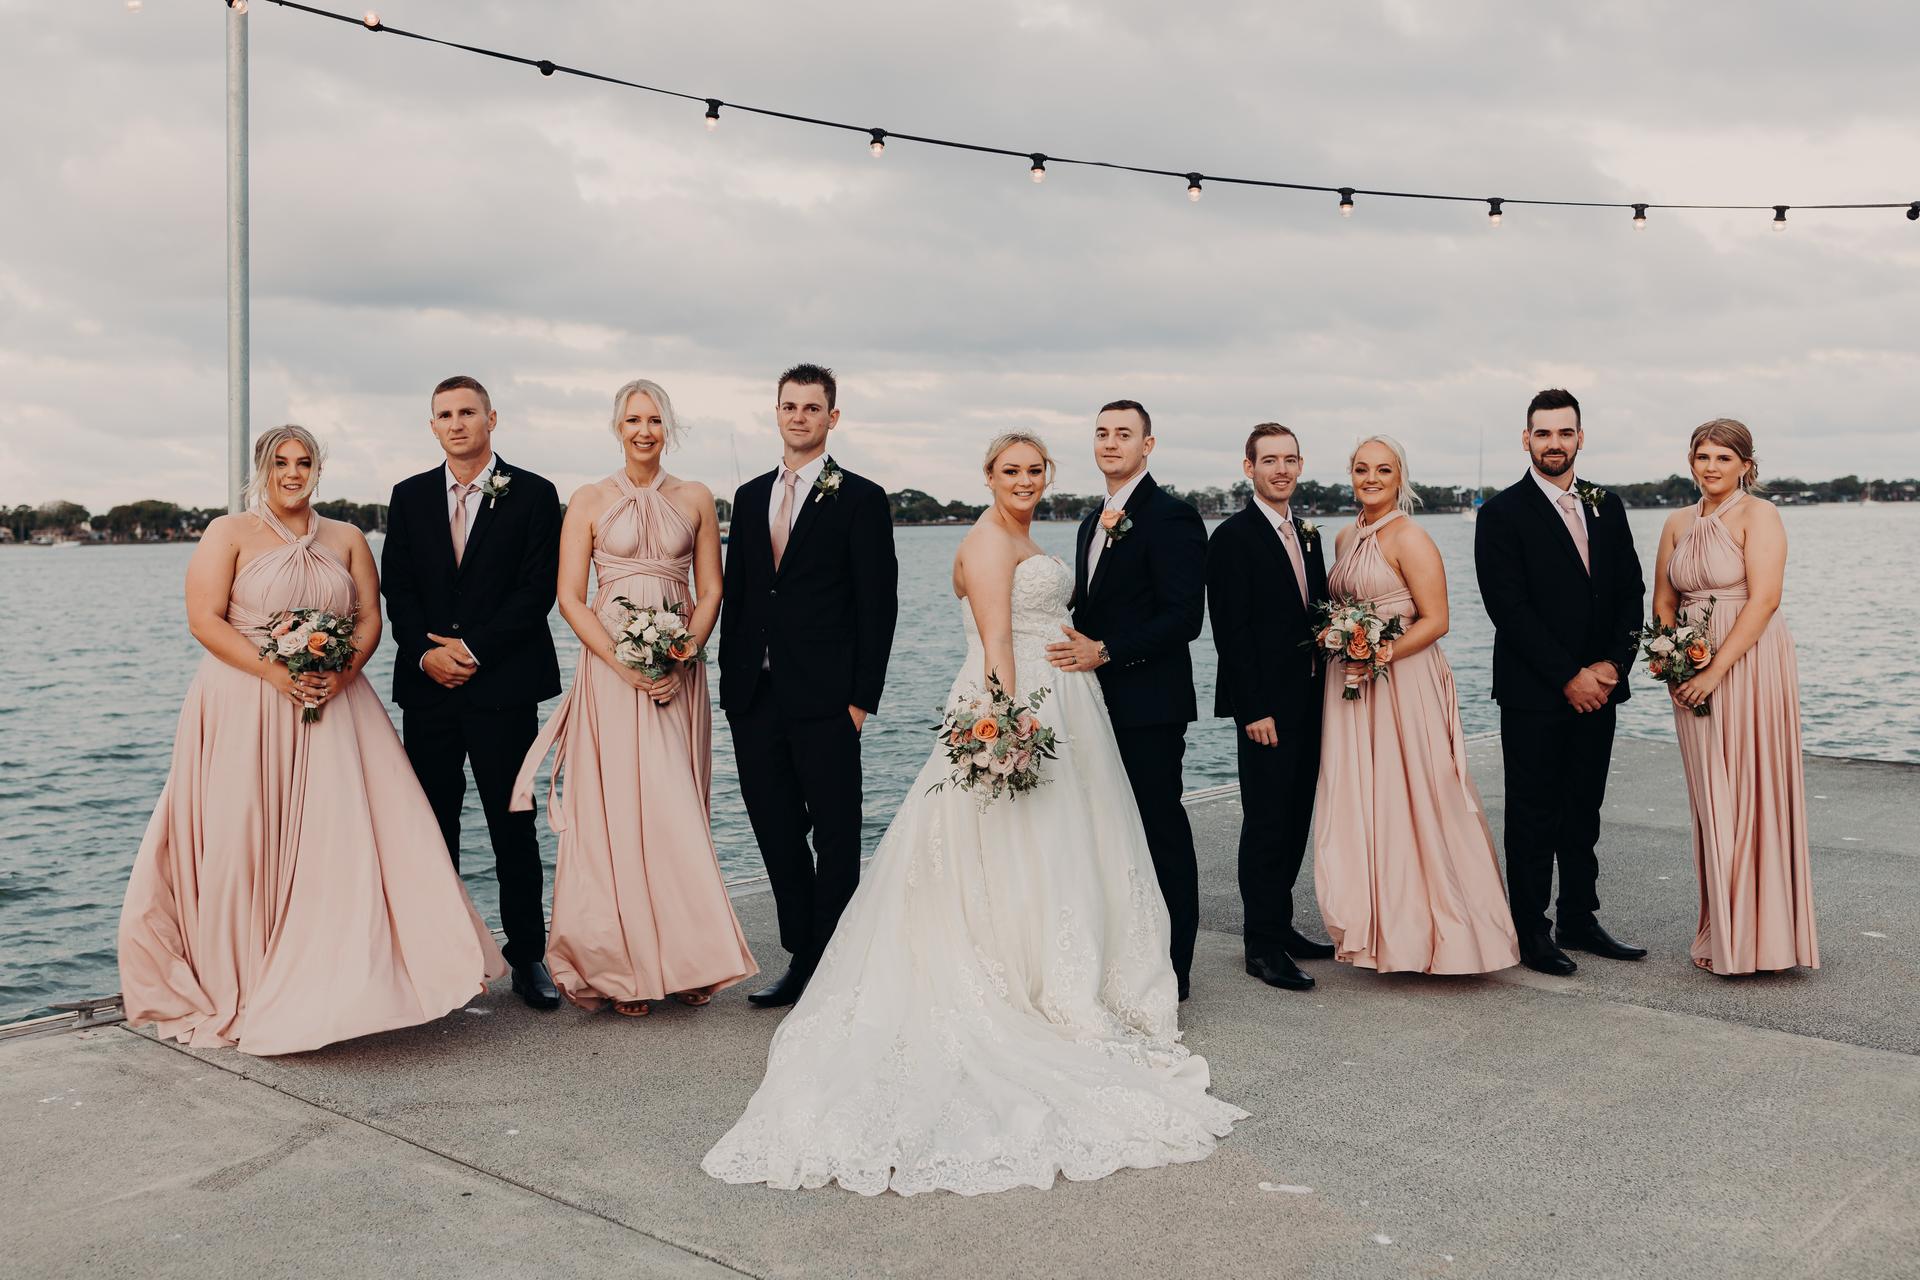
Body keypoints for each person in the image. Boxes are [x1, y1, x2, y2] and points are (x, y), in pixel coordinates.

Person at [703, 432, 1245, 1196]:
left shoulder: (1030, 532)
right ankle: (1022, 973)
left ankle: (1057, 961)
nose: (1023, 481)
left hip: (1062, 704)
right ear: (988, 476)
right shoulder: (990, 541)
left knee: (1053, 849)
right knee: (1014, 848)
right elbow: (997, 645)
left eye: (1034, 471)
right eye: (1010, 471)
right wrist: (1003, 732)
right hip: (1019, 706)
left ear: (1046, 476)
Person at [118, 425, 504, 1056]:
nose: (293, 473)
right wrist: (277, 672)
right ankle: (246, 972)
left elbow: (370, 618)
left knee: (346, 838)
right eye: (281, 462)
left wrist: (342, 671)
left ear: (318, 469)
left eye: (304, 462)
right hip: (248, 701)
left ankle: (357, 976)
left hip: (336, 705)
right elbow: (203, 618)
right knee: (247, 833)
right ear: (262, 468)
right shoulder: (228, 533)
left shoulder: (348, 537)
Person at [511, 379, 756, 1015]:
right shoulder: (588, 500)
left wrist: (682, 653)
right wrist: (625, 663)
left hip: (680, 673)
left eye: (654, 420)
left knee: (676, 810)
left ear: (667, 427)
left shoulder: (697, 497)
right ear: (617, 426)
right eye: (632, 420)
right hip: (611, 674)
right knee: (615, 813)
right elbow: (569, 597)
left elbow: (711, 592)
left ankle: (689, 958)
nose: (643, 430)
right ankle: (617, 967)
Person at [718, 363, 898, 1009]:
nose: (800, 416)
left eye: (812, 408)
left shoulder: (860, 497)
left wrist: (859, 700)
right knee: (775, 829)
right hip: (755, 699)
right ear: (777, 412)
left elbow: (878, 606)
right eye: (790, 406)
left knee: (837, 831)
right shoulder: (747, 495)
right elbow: (740, 595)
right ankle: (802, 955)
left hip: (827, 701)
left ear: (832, 418)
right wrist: (729, 682)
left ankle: (837, 958)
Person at [382, 375, 564, 1009]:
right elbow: (396, 587)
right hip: (429, 690)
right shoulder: (407, 497)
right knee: (433, 826)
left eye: (467, 412)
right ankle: (443, 960)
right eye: (444, 415)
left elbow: (538, 589)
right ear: (432, 426)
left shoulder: (536, 494)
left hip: (503, 689)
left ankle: (529, 958)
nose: (456, 423)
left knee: (513, 824)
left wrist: (473, 650)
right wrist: (427, 653)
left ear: (492, 418)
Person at [1313, 438, 1520, 974]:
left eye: (1384, 469)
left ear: (1401, 476)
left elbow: (1436, 620)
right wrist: (1345, 645)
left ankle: (1446, 935)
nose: (1372, 478)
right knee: (1369, 797)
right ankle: (1383, 929)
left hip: (1404, 679)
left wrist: (1376, 651)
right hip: (1355, 683)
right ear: (1350, 475)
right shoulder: (1343, 536)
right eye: (1362, 469)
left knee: (1423, 796)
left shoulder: (1411, 536)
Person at [1474, 388, 1647, 976]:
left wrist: (1612, 668)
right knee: (1532, 813)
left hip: (1600, 688)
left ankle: (1579, 915)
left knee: (1584, 808)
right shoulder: (1500, 514)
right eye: (1543, 433)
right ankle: (1531, 931)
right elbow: (1509, 607)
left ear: (1580, 437)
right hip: (1534, 693)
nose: (1554, 443)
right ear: (1526, 439)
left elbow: (1630, 593)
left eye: (1564, 432)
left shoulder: (1608, 504)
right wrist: (1568, 675)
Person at [1050, 400, 1207, 999]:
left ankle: (1177, 964)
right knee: (1108, 827)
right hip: (1092, 704)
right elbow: (1089, 610)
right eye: (1101, 433)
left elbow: (1183, 618)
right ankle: (1126, 948)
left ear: (1148, 445)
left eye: (1124, 434)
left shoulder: (1172, 516)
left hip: (1149, 702)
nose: (1110, 443)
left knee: (1158, 824)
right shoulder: (1094, 521)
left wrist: (1107, 651)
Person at [1652, 419, 1818, 975]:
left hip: (1748, 661)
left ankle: (1763, 937)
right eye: (1702, 456)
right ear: (1691, 461)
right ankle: (1722, 929)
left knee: (1750, 787)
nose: (1711, 467)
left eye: (1724, 457)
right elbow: (1664, 600)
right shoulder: (1676, 522)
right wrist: (1672, 658)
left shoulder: (1760, 515)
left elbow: (1765, 599)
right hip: (1691, 665)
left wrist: (1714, 671)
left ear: (1746, 464)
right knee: (1710, 796)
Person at [1204, 423, 1335, 992]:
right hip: (1267, 712)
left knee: (1298, 816)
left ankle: (1280, 925)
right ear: (1248, 467)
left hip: (1312, 700)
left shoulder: (1306, 534)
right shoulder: (1232, 538)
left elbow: (1315, 610)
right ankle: (1262, 946)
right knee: (1267, 823)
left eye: (1289, 459)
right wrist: (1252, 709)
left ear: (1300, 465)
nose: (1280, 469)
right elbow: (1230, 632)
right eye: (1269, 460)